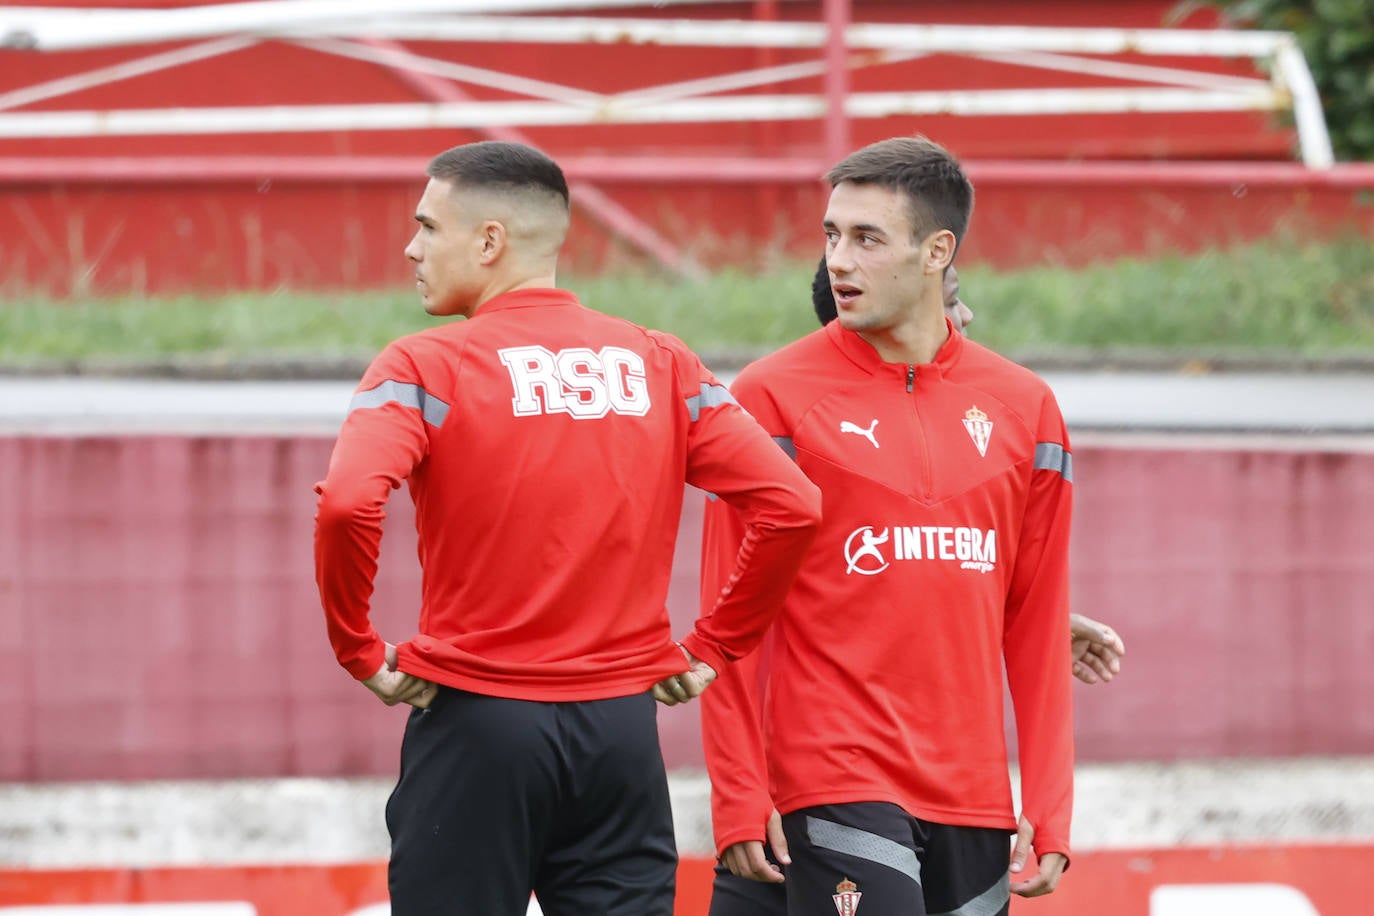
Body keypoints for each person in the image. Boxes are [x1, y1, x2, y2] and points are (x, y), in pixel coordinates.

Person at [313, 140, 822, 916]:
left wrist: (357, 646)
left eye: (426, 226)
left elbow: (350, 501)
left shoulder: (422, 366)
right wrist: (713, 646)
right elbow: (793, 505)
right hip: (620, 735)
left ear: (489, 242)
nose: (411, 247)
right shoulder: (660, 362)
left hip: (476, 725)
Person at [700, 136, 1075, 916]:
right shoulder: (771, 397)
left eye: (867, 239)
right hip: (833, 776)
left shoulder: (1027, 409)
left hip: (973, 797)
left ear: (938, 251)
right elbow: (727, 617)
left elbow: (1034, 619)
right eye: (832, 235)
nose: (840, 260)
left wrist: (1048, 802)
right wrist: (739, 791)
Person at [811, 254, 1127, 686]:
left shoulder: (988, 421)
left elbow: (931, 576)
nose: (967, 314)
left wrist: (1030, 625)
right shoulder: (806, 434)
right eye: (952, 300)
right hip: (833, 734)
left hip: (953, 736)